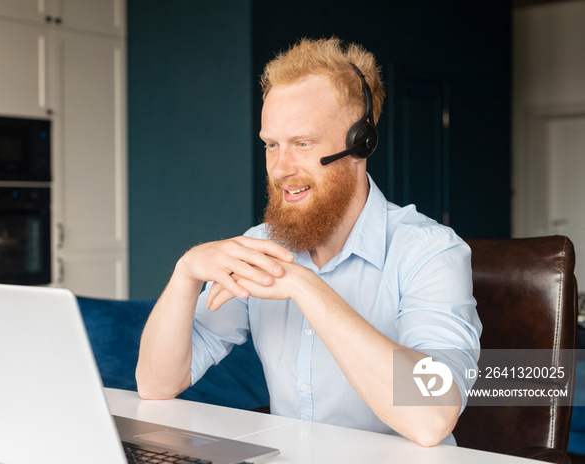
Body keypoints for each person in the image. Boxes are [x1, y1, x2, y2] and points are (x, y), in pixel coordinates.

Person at [136, 37, 481, 447]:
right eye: (271, 145)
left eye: (302, 143)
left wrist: (304, 285)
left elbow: (432, 417)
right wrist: (186, 272)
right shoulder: (260, 246)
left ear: (360, 144)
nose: (280, 169)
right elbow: (157, 384)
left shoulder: (430, 252)